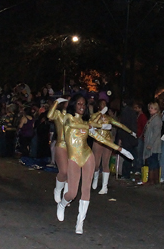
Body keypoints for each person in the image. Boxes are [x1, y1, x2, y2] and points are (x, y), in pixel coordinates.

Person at [51, 95, 132, 234]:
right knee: (72, 193)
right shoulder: (67, 119)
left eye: (84, 104)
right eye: (79, 104)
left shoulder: (86, 122)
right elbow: (74, 124)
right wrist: (97, 124)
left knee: (86, 190)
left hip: (87, 155)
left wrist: (120, 149)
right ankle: (62, 204)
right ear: (74, 105)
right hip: (73, 158)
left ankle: (80, 222)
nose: (82, 106)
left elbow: (99, 137)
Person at [90, 99, 135, 194]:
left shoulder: (108, 118)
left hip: (108, 140)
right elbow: (91, 123)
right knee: (96, 164)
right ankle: (96, 176)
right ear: (98, 106)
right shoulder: (94, 115)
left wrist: (131, 132)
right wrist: (100, 114)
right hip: (98, 140)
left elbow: (120, 125)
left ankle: (104, 187)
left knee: (105, 163)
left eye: (105, 104)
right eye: (102, 104)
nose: (104, 106)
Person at [49, 99, 69, 202]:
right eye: (67, 101)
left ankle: (66, 196)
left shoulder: (73, 115)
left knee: (70, 173)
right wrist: (56, 102)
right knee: (64, 171)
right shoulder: (57, 114)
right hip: (61, 144)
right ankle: (57, 190)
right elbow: (49, 116)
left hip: (73, 146)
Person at [142, 101, 163, 185]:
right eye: (149, 108)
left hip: (154, 145)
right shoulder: (153, 118)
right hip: (152, 143)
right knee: (153, 161)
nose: (150, 109)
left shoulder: (156, 119)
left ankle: (152, 179)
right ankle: (154, 179)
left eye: (152, 108)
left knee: (152, 161)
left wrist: (150, 143)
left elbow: (156, 133)